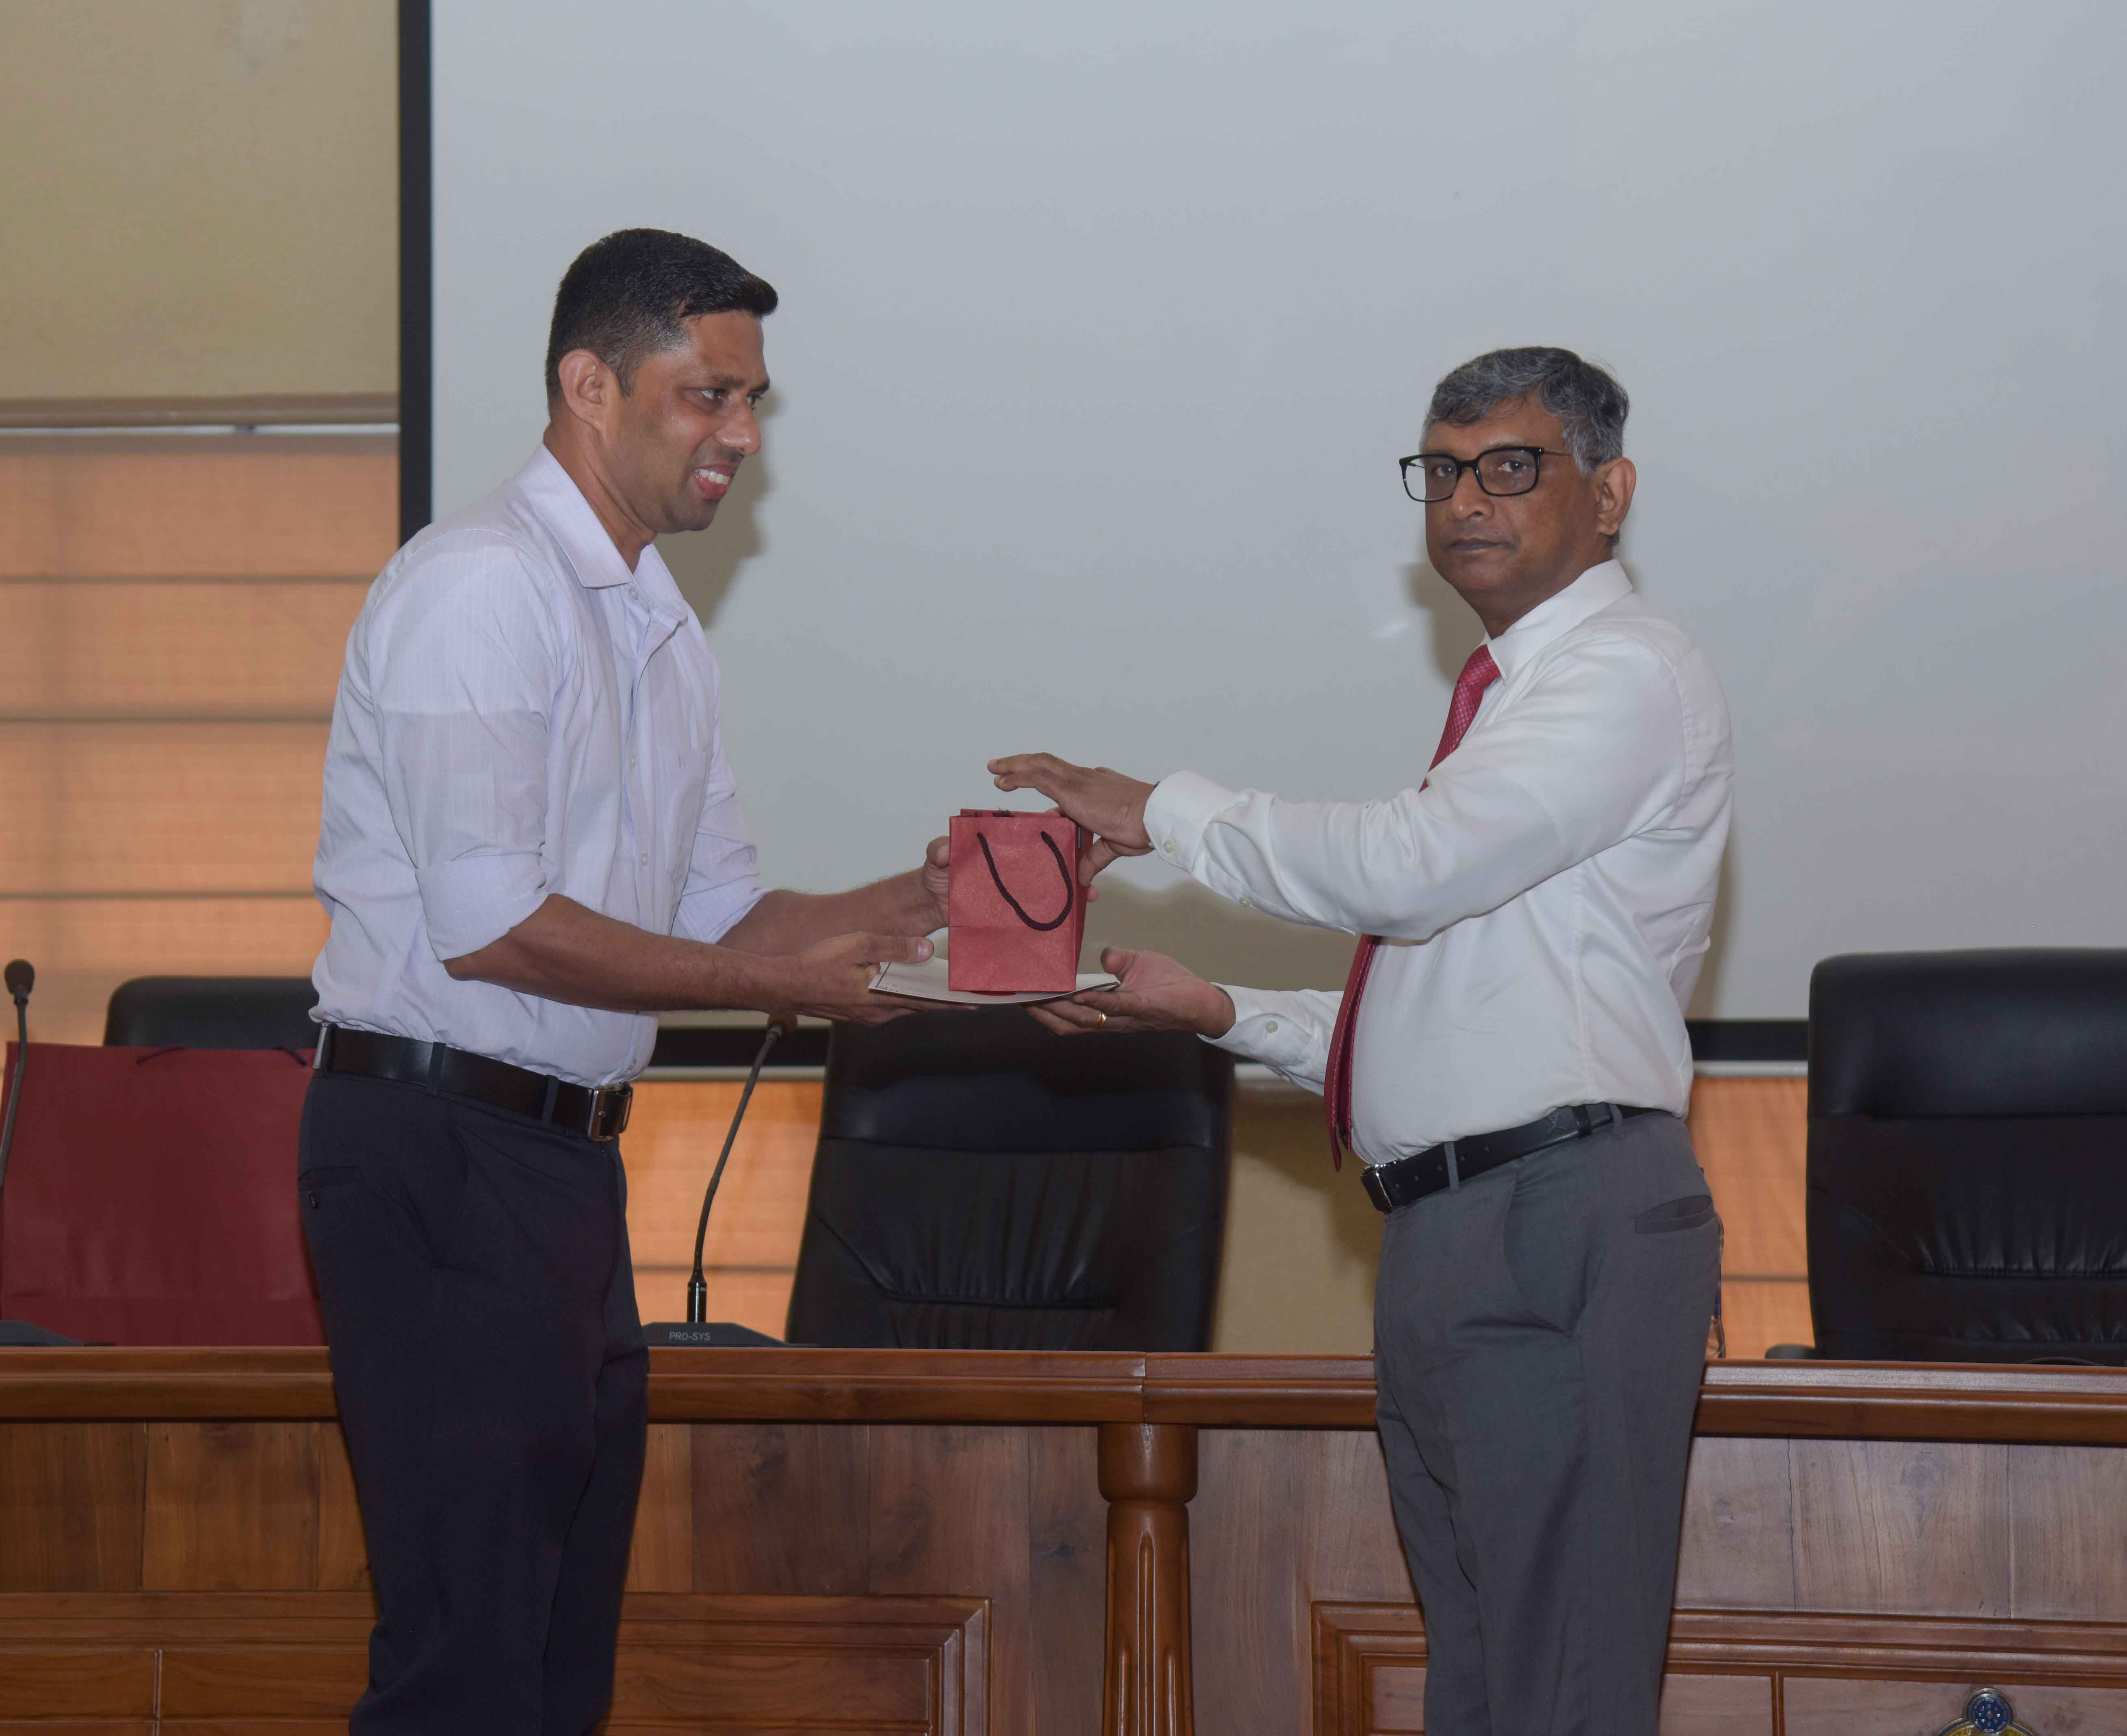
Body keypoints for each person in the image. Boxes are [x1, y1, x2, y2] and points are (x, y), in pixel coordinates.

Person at [991, 347, 1731, 1736]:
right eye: (1441, 472)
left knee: (1560, 1691)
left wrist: (1166, 810)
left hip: (1556, 1214)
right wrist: (1221, 1014)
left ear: (1608, 492)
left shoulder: (1625, 673)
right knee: (1486, 1686)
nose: (1465, 500)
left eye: (1508, 467)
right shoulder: (1508, 707)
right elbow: (1452, 1007)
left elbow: (1407, 871)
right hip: (1458, 1226)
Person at [301, 228, 950, 1734]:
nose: (741, 434)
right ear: (589, 386)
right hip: (440, 1146)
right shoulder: (481, 587)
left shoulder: (659, 624)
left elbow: (728, 913)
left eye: (752, 400)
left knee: (556, 1659)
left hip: (560, 1166)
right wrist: (779, 985)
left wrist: (922, 903)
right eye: (707, 394)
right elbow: (492, 926)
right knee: (468, 1660)